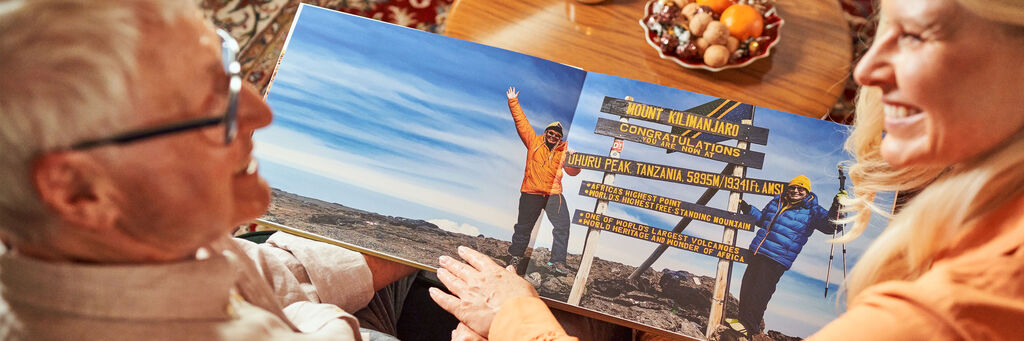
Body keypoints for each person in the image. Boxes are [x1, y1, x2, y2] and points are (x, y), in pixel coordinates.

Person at [432, 0, 1024, 339]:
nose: (865, 70)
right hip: (756, 252)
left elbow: (817, 222)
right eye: (881, 28)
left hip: (760, 257)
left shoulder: (944, 310)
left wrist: (520, 321)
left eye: (916, 34)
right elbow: (767, 213)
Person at [0, 1, 413, 339]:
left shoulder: (132, 238)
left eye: (226, 65)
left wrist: (405, 249)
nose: (262, 112)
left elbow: (245, 273)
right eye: (208, 106)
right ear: (79, 190)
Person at [732, 175, 842, 335]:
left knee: (760, 292)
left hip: (777, 257)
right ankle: (741, 322)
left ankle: (749, 328)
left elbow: (831, 226)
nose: (796, 190)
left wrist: (837, 207)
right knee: (747, 286)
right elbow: (763, 220)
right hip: (759, 251)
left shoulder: (813, 210)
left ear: (807, 191)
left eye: (800, 188)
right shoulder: (777, 202)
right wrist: (748, 209)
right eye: (793, 187)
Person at [504, 86, 581, 275]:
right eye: (551, 132)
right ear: (546, 132)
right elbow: (521, 122)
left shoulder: (563, 152)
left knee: (563, 226)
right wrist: (513, 101)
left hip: (554, 194)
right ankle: (515, 257)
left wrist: (574, 159)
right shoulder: (533, 142)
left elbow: (573, 172)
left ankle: (557, 262)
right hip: (531, 192)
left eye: (557, 135)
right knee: (524, 227)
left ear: (560, 138)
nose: (554, 136)